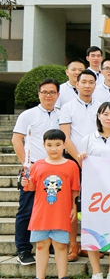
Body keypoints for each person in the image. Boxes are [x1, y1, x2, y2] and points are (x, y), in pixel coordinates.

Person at [77, 102, 110, 279]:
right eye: (105, 114)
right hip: (94, 193)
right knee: (92, 230)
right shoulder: (88, 139)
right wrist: (83, 158)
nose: (109, 118)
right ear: (98, 116)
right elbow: (84, 166)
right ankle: (96, 273)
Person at [21, 129, 79, 279]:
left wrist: (75, 207)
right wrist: (25, 182)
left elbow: (75, 189)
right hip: (41, 213)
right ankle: (40, 278)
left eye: (58, 144)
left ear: (64, 145)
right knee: (41, 245)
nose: (54, 148)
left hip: (62, 212)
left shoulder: (71, 165)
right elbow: (31, 187)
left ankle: (62, 277)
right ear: (44, 145)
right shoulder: (38, 165)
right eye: (50, 145)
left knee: (61, 246)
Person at [12, 78, 61, 266]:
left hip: (56, 169)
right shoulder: (28, 115)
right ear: (39, 94)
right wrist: (26, 165)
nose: (48, 95)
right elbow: (16, 140)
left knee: (52, 207)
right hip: (33, 168)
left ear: (58, 95)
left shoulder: (62, 115)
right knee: (26, 209)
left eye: (52, 92)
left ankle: (51, 244)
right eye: (44, 92)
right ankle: (23, 249)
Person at [59, 69, 99, 261]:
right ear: (77, 84)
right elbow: (65, 137)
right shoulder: (67, 107)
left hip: (97, 163)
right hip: (74, 161)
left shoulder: (101, 107)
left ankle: (89, 244)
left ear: (95, 85)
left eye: (91, 82)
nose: (87, 85)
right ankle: (73, 245)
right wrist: (79, 159)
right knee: (73, 203)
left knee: (93, 204)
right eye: (84, 82)